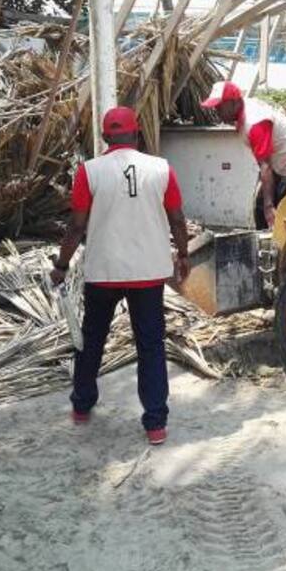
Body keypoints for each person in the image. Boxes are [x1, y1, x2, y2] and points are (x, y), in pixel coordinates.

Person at [51, 107, 190, 444]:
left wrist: (62, 264)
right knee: (151, 346)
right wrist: (183, 255)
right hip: (147, 273)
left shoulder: (90, 171)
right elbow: (177, 220)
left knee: (92, 340)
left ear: (104, 137)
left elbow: (77, 225)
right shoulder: (161, 169)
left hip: (104, 271)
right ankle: (155, 424)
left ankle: (82, 405)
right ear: (137, 133)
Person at [201, 81, 286, 229]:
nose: (216, 111)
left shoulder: (255, 122)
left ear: (234, 102)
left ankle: (283, 248)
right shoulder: (242, 113)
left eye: (219, 106)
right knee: (260, 209)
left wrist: (269, 206)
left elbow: (266, 165)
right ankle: (265, 242)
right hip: (280, 163)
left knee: (285, 219)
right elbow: (263, 162)